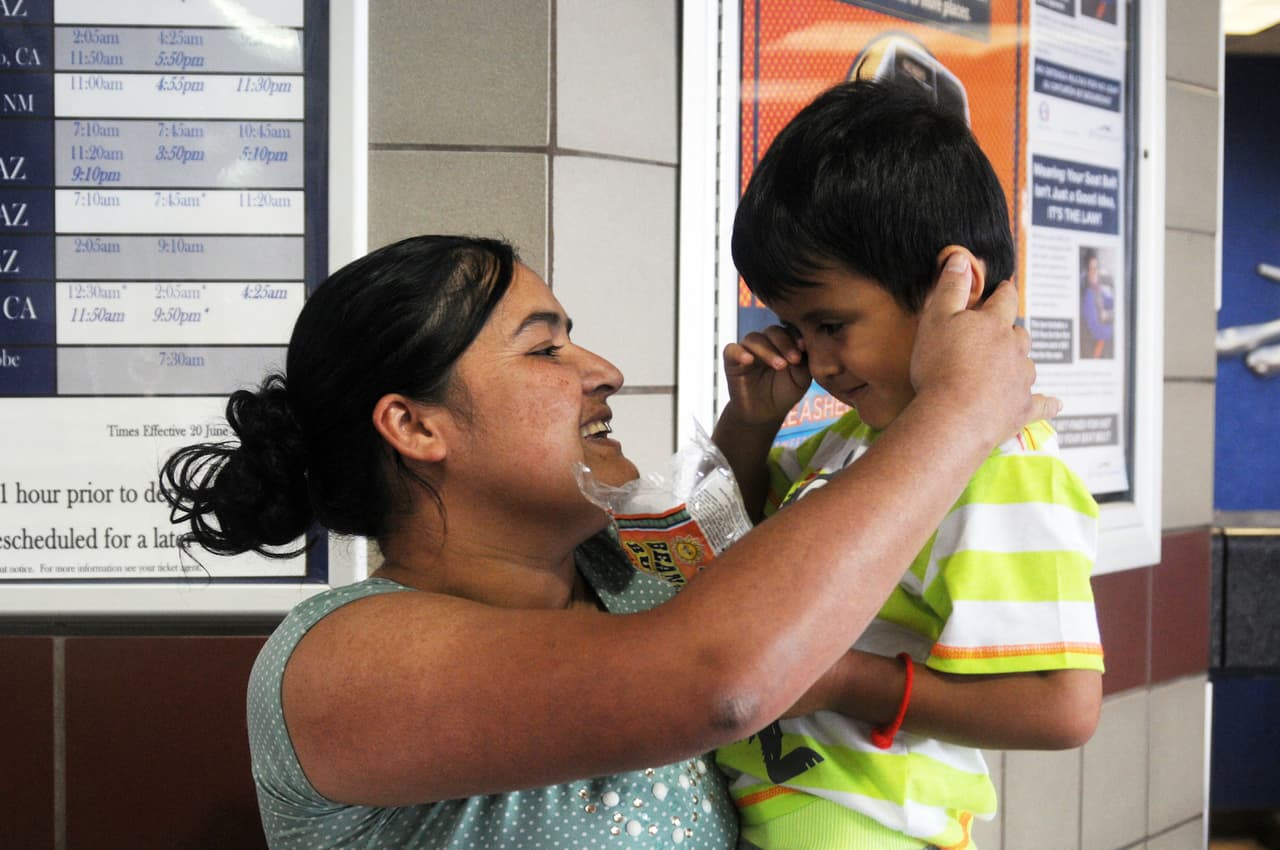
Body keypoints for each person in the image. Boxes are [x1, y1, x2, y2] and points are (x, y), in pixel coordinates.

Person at [160, 233, 1052, 849]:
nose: (605, 373)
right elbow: (720, 682)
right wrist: (957, 413)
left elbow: (745, 593)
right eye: (546, 351)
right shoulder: (335, 660)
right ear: (415, 425)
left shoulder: (628, 576)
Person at [711, 80, 1104, 850]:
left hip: (861, 826)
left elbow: (1063, 708)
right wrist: (750, 425)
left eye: (832, 324)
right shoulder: (848, 440)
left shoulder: (1004, 464)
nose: (817, 360)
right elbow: (726, 544)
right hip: (777, 803)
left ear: (949, 289)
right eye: (793, 327)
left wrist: (839, 679)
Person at [1080, 247, 1115, 358]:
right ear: (1086, 272)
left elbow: (1109, 302)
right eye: (1092, 269)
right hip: (1099, 343)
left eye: (1097, 268)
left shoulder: (1096, 288)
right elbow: (1098, 331)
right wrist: (1116, 328)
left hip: (1106, 331)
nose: (1095, 272)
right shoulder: (1088, 296)